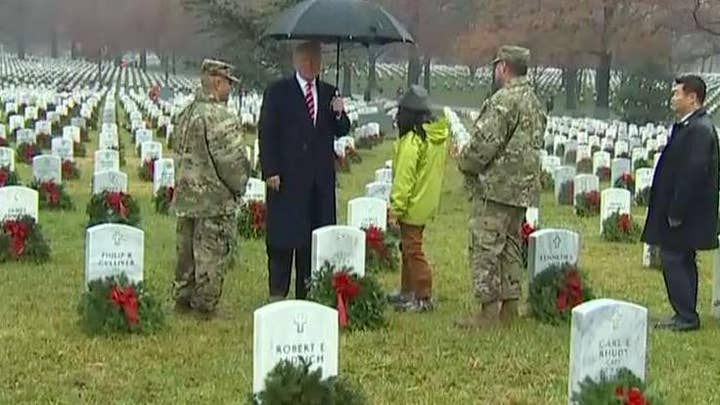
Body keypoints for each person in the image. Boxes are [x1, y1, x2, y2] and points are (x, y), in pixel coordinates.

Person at [455, 45, 547, 327]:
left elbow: (484, 144)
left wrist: (464, 162)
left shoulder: (504, 100)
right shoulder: (534, 100)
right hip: (521, 190)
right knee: (510, 247)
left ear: (504, 67)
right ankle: (509, 308)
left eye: (497, 66)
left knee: (485, 248)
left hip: (496, 188)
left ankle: (487, 312)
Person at [258, 41, 351, 300]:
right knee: (283, 241)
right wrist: (270, 170)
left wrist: (339, 113)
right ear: (296, 61)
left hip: (318, 184)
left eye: (316, 60)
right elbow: (267, 133)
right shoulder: (278, 92)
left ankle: (307, 293)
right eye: (307, 60)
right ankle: (278, 292)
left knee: (312, 242)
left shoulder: (329, 92)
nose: (312, 65)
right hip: (286, 181)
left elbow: (342, 129)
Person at [172, 59, 251, 319]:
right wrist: (239, 187)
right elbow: (232, 162)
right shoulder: (220, 116)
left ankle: (183, 297)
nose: (230, 89)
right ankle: (204, 307)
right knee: (210, 255)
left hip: (187, 198)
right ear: (217, 82)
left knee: (186, 253)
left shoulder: (185, 113)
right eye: (228, 83)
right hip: (213, 200)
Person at [641, 75, 719, 332]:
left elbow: (693, 174)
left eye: (677, 94)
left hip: (684, 213)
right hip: (683, 211)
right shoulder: (691, 126)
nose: (673, 98)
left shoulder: (699, 130)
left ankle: (685, 315)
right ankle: (686, 312)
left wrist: (676, 211)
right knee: (682, 258)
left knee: (674, 258)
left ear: (693, 97)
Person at [388, 85, 449, 312]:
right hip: (425, 201)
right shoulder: (433, 136)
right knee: (408, 247)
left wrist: (396, 208)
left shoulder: (413, 141)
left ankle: (422, 295)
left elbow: (405, 177)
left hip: (412, 203)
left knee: (413, 250)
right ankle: (407, 290)